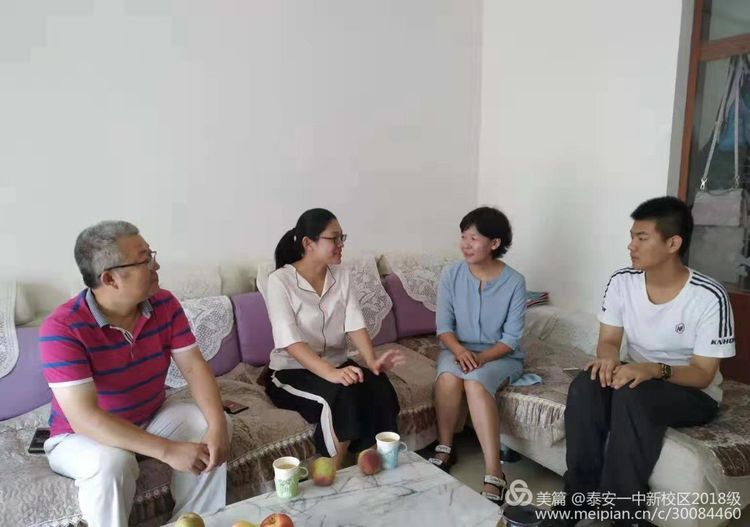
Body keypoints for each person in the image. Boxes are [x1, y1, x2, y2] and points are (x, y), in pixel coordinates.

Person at [39, 221, 231, 527]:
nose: (156, 265)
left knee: (210, 425)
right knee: (113, 462)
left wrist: (218, 424)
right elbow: (84, 419)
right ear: (109, 278)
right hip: (80, 437)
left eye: (151, 255)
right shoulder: (62, 328)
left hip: (150, 417)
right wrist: (167, 450)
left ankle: (193, 521)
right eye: (145, 260)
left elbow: (194, 367)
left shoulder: (164, 304)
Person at [561, 196, 736, 526]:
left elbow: (702, 374)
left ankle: (623, 514)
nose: (631, 246)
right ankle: (578, 500)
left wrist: (653, 369)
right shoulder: (622, 282)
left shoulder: (708, 296)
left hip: (692, 391)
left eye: (642, 238)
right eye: (632, 237)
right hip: (636, 376)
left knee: (633, 394)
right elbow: (609, 341)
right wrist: (608, 360)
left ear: (673, 243)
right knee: (586, 384)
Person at [264, 208, 404, 469]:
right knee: (342, 394)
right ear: (308, 243)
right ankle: (331, 472)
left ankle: (373, 463)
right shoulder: (280, 281)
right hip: (291, 371)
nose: (341, 244)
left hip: (336, 364)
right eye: (334, 238)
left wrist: (372, 361)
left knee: (378, 384)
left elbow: (354, 321)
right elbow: (290, 340)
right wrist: (331, 373)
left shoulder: (341, 275)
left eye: (342, 238)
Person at [429, 206, 527, 505]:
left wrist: (480, 359)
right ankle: (446, 447)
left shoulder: (514, 281)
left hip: (499, 355)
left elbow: (510, 339)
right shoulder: (451, 274)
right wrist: (460, 351)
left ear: (494, 243)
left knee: (475, 381)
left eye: (473, 238)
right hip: (456, 349)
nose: (465, 244)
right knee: (448, 377)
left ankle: (494, 471)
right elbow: (444, 328)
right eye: (463, 237)